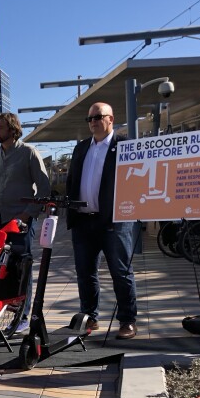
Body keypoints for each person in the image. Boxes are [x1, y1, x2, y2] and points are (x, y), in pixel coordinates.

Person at [0, 112, 51, 335]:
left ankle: (22, 316)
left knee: (21, 269)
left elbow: (44, 189)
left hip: (20, 222)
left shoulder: (29, 153)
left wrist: (27, 215)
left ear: (12, 130)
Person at [66, 102, 138, 340]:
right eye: (90, 119)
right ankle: (89, 317)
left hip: (114, 222)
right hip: (84, 222)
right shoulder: (81, 148)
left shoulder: (125, 146)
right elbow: (72, 182)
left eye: (98, 117)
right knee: (85, 273)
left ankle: (127, 320)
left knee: (121, 272)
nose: (93, 122)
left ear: (111, 119)